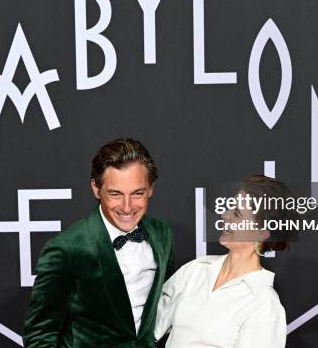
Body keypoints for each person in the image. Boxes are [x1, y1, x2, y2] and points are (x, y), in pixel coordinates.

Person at [23, 138, 175, 348]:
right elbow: (40, 334)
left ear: (150, 188)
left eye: (137, 193)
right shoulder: (67, 248)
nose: (127, 207)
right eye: (115, 194)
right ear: (96, 189)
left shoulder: (162, 234)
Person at [155, 174, 292, 348]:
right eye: (229, 208)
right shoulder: (196, 270)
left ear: (261, 233)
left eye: (236, 214)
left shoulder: (264, 304)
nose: (224, 215)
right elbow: (147, 329)